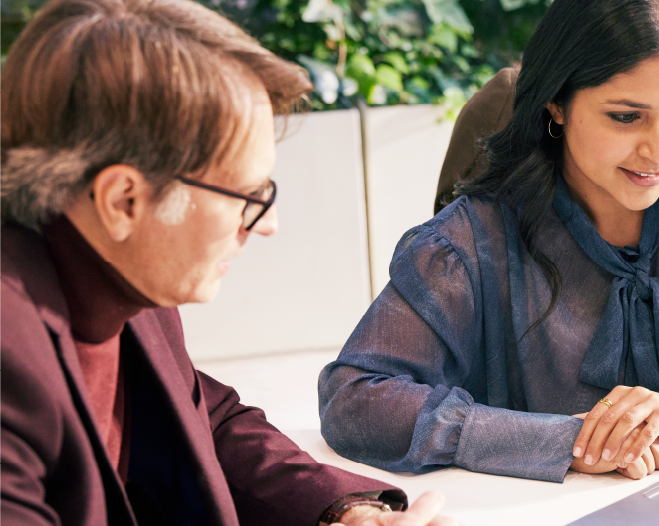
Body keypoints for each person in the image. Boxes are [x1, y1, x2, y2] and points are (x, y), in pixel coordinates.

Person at [318, 0, 659, 484]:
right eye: (625, 116)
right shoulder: (476, 236)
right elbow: (355, 399)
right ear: (556, 106)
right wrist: (572, 443)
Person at [0, 0, 458, 524]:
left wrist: (346, 514)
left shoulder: (119, 271)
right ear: (123, 199)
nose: (266, 224)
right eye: (247, 194)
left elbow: (205, 421)